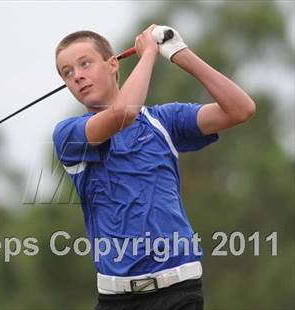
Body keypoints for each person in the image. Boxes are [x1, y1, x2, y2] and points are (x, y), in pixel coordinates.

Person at [52, 24, 255, 310]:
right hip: (115, 299)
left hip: (178, 292)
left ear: (113, 65)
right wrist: (148, 54)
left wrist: (179, 54)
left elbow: (240, 109)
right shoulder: (69, 135)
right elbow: (123, 113)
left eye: (85, 64)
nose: (77, 76)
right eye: (67, 73)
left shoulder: (165, 121)